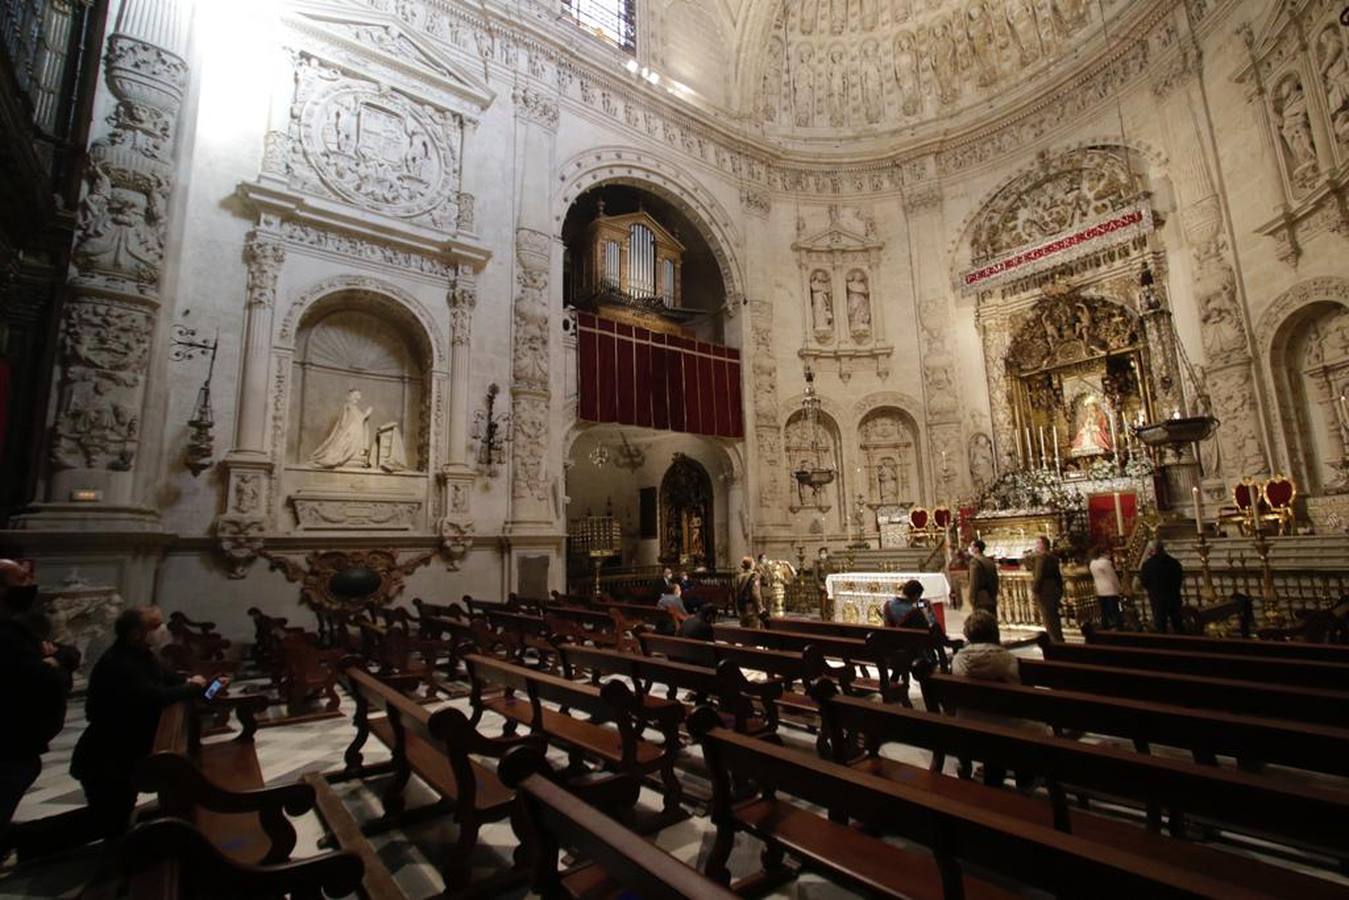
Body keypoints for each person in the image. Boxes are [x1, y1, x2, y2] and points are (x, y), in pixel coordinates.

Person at [71, 607, 217, 840]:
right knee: (108, 818)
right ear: (136, 633)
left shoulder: (142, 654)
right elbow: (152, 696)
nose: (162, 630)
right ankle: (19, 839)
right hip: (106, 755)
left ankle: (21, 840)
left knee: (113, 814)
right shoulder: (120, 663)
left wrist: (195, 684)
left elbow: (168, 679)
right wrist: (191, 687)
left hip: (124, 750)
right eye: (155, 626)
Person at [0, 561, 70, 845]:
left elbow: (68, 653)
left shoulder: (18, 626)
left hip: (21, 739)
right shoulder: (7, 635)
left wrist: (57, 661)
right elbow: (44, 678)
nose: (30, 584)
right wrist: (54, 666)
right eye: (21, 579)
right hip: (8, 737)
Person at [1139, 541, 1184, 634]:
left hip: (1157, 598)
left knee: (1160, 624)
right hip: (1173, 595)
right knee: (1177, 622)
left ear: (1152, 550)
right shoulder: (1173, 562)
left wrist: (1151, 589)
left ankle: (1163, 643)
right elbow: (1179, 577)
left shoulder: (1148, 564)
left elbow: (1144, 581)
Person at [1029, 535, 1064, 643]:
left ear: (1043, 545)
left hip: (1044, 590)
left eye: (1038, 543)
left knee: (1048, 618)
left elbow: (1039, 575)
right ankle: (1059, 638)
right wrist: (1059, 589)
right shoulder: (1053, 557)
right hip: (1054, 588)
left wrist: (1034, 590)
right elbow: (1058, 576)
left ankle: (1054, 641)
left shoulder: (1041, 557)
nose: (1036, 546)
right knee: (1054, 616)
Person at [1089, 544, 1124, 630]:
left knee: (1104, 612)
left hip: (1099, 590)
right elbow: (1112, 577)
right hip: (1110, 590)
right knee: (1114, 611)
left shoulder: (1092, 563)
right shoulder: (1105, 563)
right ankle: (1119, 628)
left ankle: (1105, 628)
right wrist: (1119, 588)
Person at [967, 540, 999, 615]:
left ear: (976, 549)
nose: (970, 549)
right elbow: (996, 580)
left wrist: (972, 598)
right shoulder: (989, 561)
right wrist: (994, 595)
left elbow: (974, 582)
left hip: (980, 598)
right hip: (991, 597)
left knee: (981, 621)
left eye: (972, 547)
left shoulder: (975, 562)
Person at [733, 556, 766, 628]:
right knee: (754, 633)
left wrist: (737, 607)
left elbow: (736, 593)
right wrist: (760, 608)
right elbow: (755, 594)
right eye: (753, 562)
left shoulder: (739, 576)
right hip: (751, 608)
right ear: (751, 565)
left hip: (742, 608)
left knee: (745, 632)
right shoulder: (754, 576)